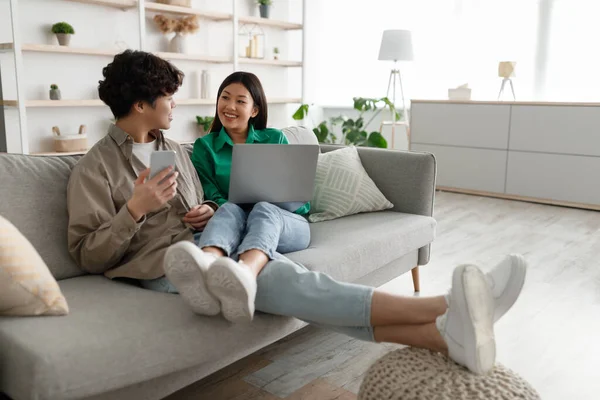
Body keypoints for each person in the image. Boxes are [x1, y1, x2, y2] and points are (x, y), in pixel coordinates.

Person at [67, 51, 527, 376]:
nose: (175, 104)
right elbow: (88, 254)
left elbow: (200, 206)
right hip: (162, 265)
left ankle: (447, 337)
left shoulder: (173, 149)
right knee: (292, 283)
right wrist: (134, 209)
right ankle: (446, 309)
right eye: (168, 96)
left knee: (298, 285)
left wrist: (203, 211)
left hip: (205, 249)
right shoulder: (96, 167)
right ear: (143, 104)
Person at [163, 71, 311, 323]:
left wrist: (271, 202)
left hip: (286, 224)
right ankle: (206, 265)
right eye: (225, 98)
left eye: (240, 101)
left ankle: (245, 273)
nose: (230, 106)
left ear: (254, 110)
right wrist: (233, 207)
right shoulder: (205, 147)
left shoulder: (275, 139)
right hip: (236, 222)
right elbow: (213, 197)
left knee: (264, 208)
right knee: (229, 209)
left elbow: (302, 203)